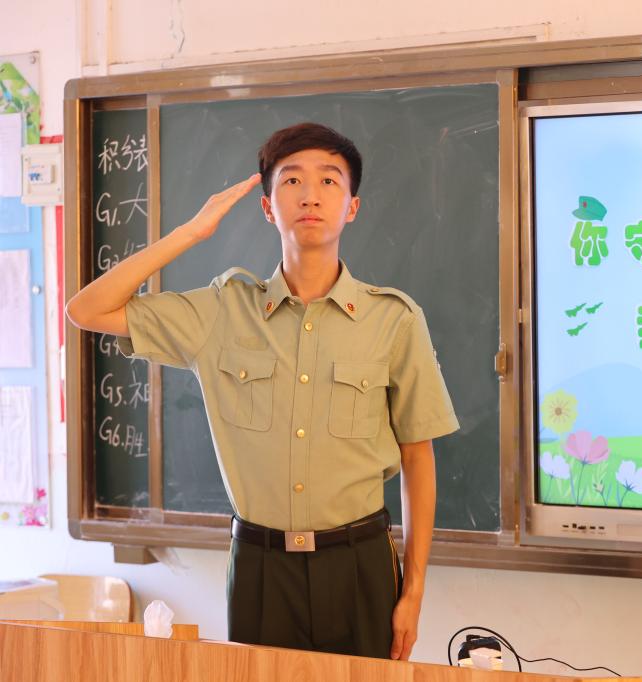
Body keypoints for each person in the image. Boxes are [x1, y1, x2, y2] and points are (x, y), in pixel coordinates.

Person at [66, 122, 459, 659]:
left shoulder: (394, 320)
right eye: (292, 180)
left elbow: (418, 456)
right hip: (260, 567)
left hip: (360, 563)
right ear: (269, 207)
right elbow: (87, 310)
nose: (310, 195)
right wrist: (191, 233)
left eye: (329, 181)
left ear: (352, 207)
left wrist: (413, 592)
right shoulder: (222, 311)